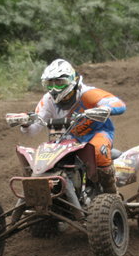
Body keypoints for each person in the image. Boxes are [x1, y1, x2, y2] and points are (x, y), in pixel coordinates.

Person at [19, 58, 126, 193]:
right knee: (44, 158)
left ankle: (111, 193)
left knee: (98, 150)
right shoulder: (48, 100)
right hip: (67, 139)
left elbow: (119, 104)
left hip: (96, 133)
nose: (54, 88)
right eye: (49, 83)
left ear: (71, 80)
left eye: (59, 82)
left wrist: (105, 108)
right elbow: (34, 129)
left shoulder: (87, 93)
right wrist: (26, 124)